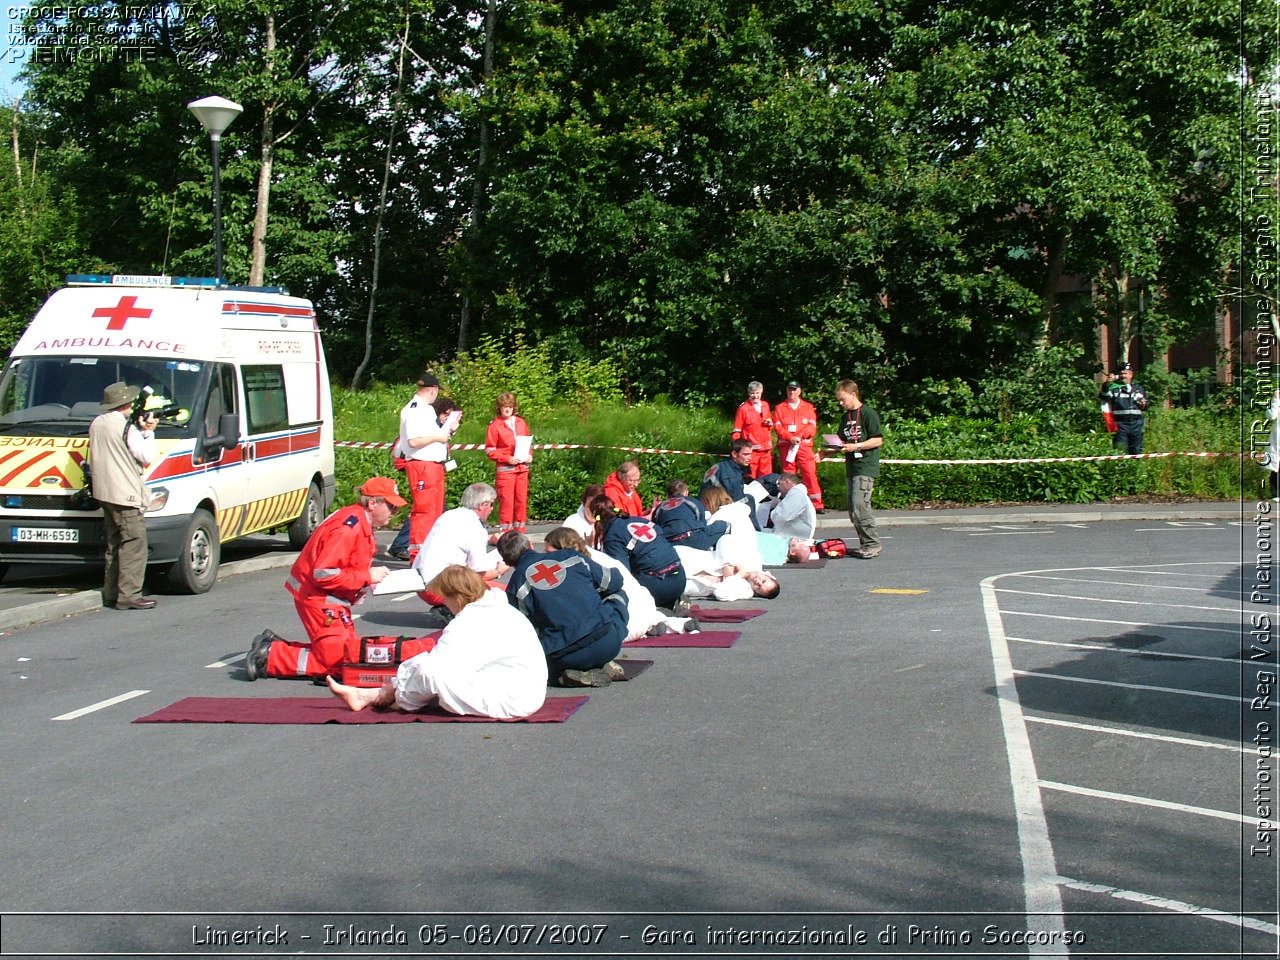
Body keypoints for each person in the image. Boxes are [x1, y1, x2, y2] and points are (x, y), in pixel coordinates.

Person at [244, 477, 414, 680]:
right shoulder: (349, 528)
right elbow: (324, 573)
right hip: (319, 599)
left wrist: (363, 580)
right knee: (341, 664)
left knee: (346, 655)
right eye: (391, 506)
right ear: (372, 503)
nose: (395, 512)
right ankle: (270, 657)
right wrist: (366, 576)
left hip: (328, 600)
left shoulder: (358, 522)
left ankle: (272, 648)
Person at [325, 565, 548, 719]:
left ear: (456, 597)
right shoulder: (495, 608)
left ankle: (387, 696)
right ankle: (377, 693)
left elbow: (434, 666)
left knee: (429, 671)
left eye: (445, 598)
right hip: (516, 685)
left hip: (512, 696)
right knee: (429, 667)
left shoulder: (470, 621)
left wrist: (399, 690)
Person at [498, 531, 629, 687]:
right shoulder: (570, 556)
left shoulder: (514, 588)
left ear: (507, 561)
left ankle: (565, 673)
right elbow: (613, 582)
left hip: (563, 655)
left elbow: (525, 634)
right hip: (607, 643)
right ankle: (600, 662)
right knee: (618, 594)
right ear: (531, 545)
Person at [544, 527, 698, 639]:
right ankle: (673, 624)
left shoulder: (580, 567)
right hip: (646, 604)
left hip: (626, 623)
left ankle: (648, 628)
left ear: (563, 548)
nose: (545, 557)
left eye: (548, 553)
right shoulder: (597, 556)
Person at [88, 381, 158, 610]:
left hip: (104, 491)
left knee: (114, 543)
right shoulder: (127, 428)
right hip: (125, 492)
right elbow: (146, 456)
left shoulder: (97, 423)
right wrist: (148, 433)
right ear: (126, 403)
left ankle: (112, 592)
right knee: (134, 543)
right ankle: (129, 594)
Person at [411, 482, 507, 611]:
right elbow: (479, 572)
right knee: (505, 595)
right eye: (491, 504)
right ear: (482, 505)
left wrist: (490, 539)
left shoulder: (449, 515)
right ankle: (459, 610)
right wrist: (500, 570)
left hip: (421, 584)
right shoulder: (475, 527)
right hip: (443, 588)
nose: (491, 509)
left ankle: (449, 607)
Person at [388, 396, 459, 560]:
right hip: (420, 469)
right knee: (423, 510)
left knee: (432, 510)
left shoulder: (437, 429)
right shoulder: (425, 424)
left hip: (431, 470)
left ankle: (416, 547)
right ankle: (405, 546)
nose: (447, 419)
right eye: (445, 415)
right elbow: (407, 445)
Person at [591, 495, 687, 610]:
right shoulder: (639, 520)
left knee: (617, 592)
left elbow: (621, 573)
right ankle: (673, 601)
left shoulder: (613, 536)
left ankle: (657, 611)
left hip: (658, 586)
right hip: (680, 577)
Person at [832, 379, 883, 559]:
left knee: (860, 505)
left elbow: (877, 439)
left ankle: (872, 543)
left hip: (865, 467)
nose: (841, 403)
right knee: (853, 509)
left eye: (843, 399)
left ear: (853, 394)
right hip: (851, 467)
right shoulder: (846, 417)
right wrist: (825, 451)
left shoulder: (868, 413)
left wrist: (857, 446)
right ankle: (865, 543)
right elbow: (840, 442)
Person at [485, 391, 532, 536]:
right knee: (507, 504)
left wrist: (530, 455)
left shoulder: (520, 422)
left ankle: (520, 534)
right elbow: (490, 450)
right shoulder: (495, 426)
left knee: (521, 502)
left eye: (510, 406)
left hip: (522, 468)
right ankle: (506, 534)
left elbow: (528, 442)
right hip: (506, 471)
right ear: (499, 407)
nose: (508, 409)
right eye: (505, 406)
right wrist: (507, 458)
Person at [773, 380, 824, 512]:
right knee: (788, 476)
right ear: (786, 390)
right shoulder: (780, 408)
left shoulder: (808, 407)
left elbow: (812, 427)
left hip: (804, 446)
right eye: (790, 389)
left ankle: (816, 504)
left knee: (809, 473)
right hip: (787, 446)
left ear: (799, 391)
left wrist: (800, 436)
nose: (792, 392)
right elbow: (778, 428)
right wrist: (790, 438)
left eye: (794, 389)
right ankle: (791, 503)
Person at [652, 478, 728, 551]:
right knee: (723, 525)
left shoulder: (659, 508)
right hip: (692, 539)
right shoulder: (692, 502)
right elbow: (702, 525)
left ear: (667, 495)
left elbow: (656, 529)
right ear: (686, 492)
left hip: (668, 543)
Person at [700, 439, 760, 530]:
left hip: (708, 503)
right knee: (749, 501)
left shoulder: (723, 465)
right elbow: (740, 502)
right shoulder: (730, 475)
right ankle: (756, 532)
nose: (749, 458)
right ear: (735, 454)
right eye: (745, 454)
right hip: (714, 507)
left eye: (750, 454)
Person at [1098, 361, 1150, 455]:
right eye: (1121, 373)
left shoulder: (1138, 389)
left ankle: (1135, 469)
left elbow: (1145, 406)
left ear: (1131, 375)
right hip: (1120, 425)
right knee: (1120, 452)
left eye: (1125, 373)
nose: (1123, 376)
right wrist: (1106, 384)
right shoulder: (1114, 388)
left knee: (1136, 452)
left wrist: (1142, 404)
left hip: (1136, 425)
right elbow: (1103, 397)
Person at [732, 380, 775, 478]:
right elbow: (736, 431)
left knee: (767, 478)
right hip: (751, 452)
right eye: (752, 393)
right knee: (750, 478)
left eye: (757, 393)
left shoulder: (765, 405)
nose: (755, 396)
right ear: (748, 393)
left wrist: (769, 424)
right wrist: (739, 449)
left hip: (766, 450)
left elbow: (770, 426)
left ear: (761, 392)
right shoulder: (743, 409)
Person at [768, 472, 817, 541]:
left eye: (779, 483)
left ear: (787, 481)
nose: (778, 488)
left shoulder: (796, 493)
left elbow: (782, 516)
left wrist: (772, 513)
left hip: (796, 537)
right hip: (794, 533)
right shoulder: (796, 493)